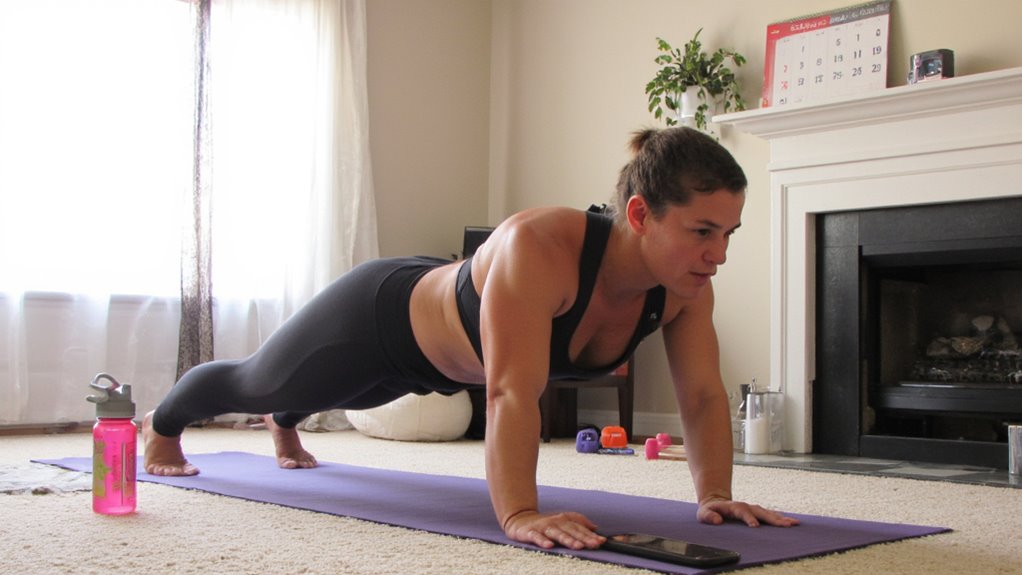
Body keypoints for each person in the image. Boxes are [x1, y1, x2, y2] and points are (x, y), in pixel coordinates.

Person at [143, 126, 799, 551]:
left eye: (728, 234)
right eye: (702, 230)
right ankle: (165, 422)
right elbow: (514, 392)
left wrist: (713, 493)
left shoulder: (684, 289)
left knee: (335, 393)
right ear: (640, 215)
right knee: (262, 379)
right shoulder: (538, 246)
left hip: (447, 363)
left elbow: (706, 398)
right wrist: (518, 512)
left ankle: (285, 418)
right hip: (383, 318)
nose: (717, 254)